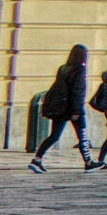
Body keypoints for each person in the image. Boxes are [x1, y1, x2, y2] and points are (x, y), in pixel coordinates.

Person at [26, 44, 94, 173]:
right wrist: (77, 110)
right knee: (82, 135)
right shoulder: (80, 69)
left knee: (54, 135)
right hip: (73, 108)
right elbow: (78, 91)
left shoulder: (63, 69)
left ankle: (37, 159)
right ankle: (89, 162)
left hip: (61, 108)